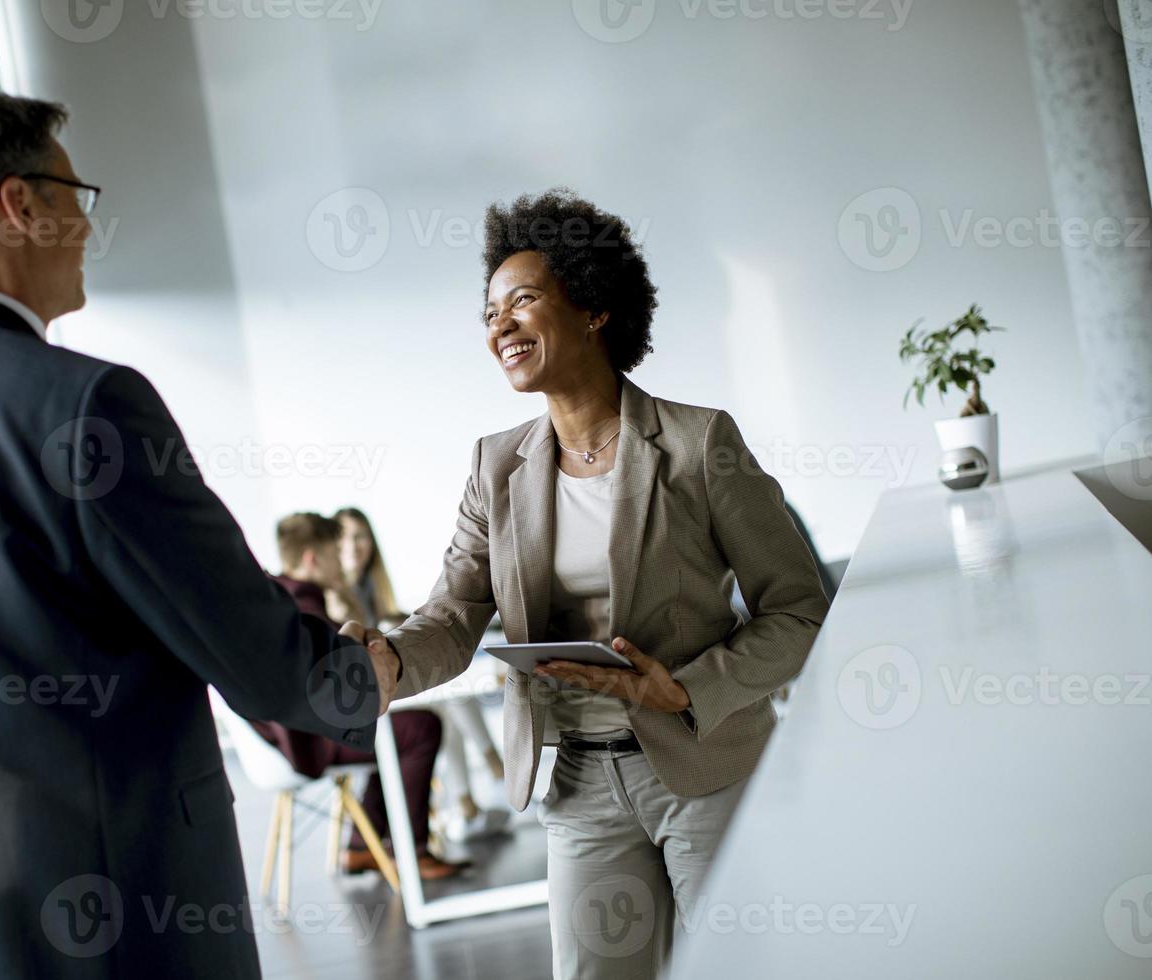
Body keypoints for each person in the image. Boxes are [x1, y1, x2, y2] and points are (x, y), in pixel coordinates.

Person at [0, 90, 398, 979]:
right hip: (121, 920)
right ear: (19, 204)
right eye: (75, 194)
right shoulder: (85, 405)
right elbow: (250, 648)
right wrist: (367, 676)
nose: (84, 222)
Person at [359, 189, 829, 977]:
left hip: (707, 764)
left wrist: (685, 689)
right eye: (488, 312)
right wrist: (387, 662)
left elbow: (802, 613)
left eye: (523, 302)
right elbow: (453, 613)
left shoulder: (696, 443)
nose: (499, 327)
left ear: (593, 309)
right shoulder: (494, 466)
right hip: (578, 781)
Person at [254, 514, 467, 880]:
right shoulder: (302, 605)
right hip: (308, 738)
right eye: (336, 552)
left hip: (285, 737)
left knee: (394, 731)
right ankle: (412, 852)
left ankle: (360, 845)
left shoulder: (280, 599)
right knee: (420, 727)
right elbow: (334, 687)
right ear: (312, 559)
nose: (344, 561)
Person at [335, 506, 509, 843]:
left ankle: (467, 803)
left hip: (386, 695)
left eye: (361, 537)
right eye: (347, 538)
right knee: (443, 702)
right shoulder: (337, 598)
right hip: (368, 705)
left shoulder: (372, 590)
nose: (355, 546)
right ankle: (492, 773)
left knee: (445, 696)